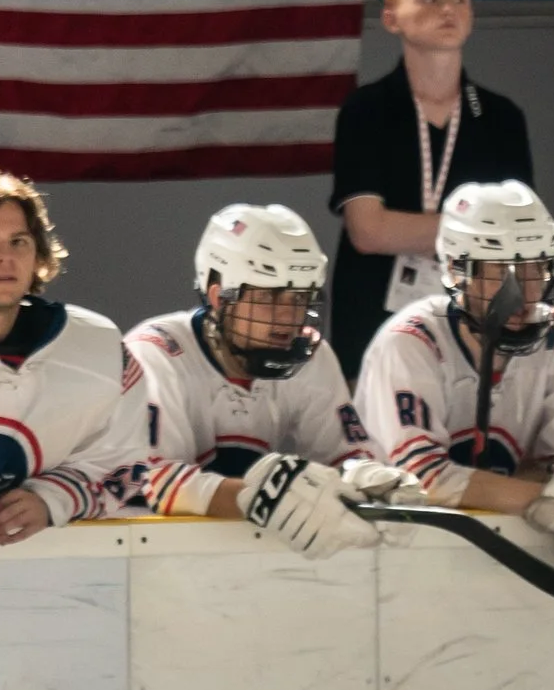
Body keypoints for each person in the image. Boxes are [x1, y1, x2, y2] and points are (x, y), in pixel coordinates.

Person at [355, 180, 554, 577]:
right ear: (457, 270)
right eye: (503, 271)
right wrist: (543, 495)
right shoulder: (410, 340)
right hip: (397, 562)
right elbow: (422, 478)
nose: (523, 292)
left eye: (535, 268)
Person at [122, 204, 417, 550]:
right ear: (218, 297)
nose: (286, 318)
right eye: (269, 297)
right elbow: (149, 480)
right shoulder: (156, 352)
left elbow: (346, 456)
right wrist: (262, 497)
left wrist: (370, 482)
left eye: (299, 298)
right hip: (150, 560)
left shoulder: (313, 356)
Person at [327, 0, 534, 383]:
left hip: (474, 326)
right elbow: (368, 231)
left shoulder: (501, 117)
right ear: (391, 18)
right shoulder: (366, 109)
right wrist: (476, 237)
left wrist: (412, 230)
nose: (449, 10)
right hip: (374, 325)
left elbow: (519, 239)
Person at [0, 169, 141, 545]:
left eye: (18, 241)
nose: (4, 258)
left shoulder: (101, 351)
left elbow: (125, 463)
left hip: (21, 581)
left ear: (37, 255)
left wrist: (52, 499)